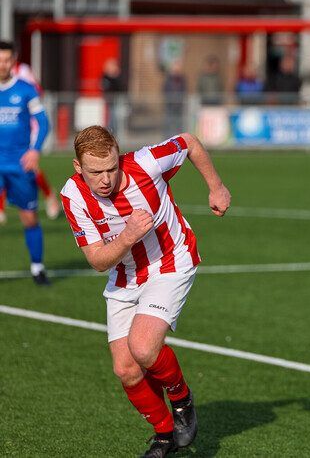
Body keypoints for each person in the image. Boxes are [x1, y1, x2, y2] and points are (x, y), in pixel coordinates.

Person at [59, 126, 231, 457]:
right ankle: (164, 436)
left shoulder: (146, 163)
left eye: (111, 168)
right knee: (125, 369)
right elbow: (97, 260)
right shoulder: (73, 196)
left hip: (170, 261)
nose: (106, 178)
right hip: (125, 274)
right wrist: (128, 236)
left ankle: (182, 399)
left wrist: (217, 187)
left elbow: (189, 142)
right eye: (96, 172)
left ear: (119, 156)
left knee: (143, 346)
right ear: (78, 167)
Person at [0, 40, 51, 285]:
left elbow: (43, 122)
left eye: (7, 60)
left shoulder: (26, 89)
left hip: (19, 165)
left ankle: (37, 267)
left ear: (14, 60)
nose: (2, 64)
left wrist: (35, 150)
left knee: (29, 218)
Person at [0, 58, 60, 223]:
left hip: (27, 127)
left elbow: (36, 91)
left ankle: (49, 195)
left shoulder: (24, 71)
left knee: (28, 166)